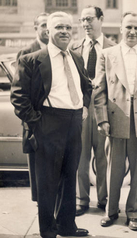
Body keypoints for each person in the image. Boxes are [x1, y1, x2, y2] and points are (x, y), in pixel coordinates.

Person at [11, 11, 91, 238]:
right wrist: (38, 124)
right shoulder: (32, 60)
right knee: (47, 182)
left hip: (74, 122)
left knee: (69, 177)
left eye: (68, 27)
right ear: (48, 31)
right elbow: (18, 97)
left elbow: (86, 85)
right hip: (48, 123)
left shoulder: (76, 57)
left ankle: (67, 226)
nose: (64, 31)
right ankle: (47, 230)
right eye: (59, 28)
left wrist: (83, 106)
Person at [94, 12, 137, 231]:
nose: (132, 31)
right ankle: (111, 211)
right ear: (121, 29)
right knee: (113, 168)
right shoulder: (107, 54)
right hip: (116, 119)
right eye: (128, 27)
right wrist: (102, 119)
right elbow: (99, 89)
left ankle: (134, 213)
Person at [70, 5, 115, 216]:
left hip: (104, 110)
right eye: (83, 20)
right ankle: (82, 199)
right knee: (80, 157)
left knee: (104, 157)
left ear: (101, 19)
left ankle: (104, 199)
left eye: (89, 19)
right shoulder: (74, 48)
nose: (86, 24)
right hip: (81, 110)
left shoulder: (114, 48)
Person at [16, 12, 49, 203]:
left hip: (56, 120)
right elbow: (20, 92)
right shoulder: (27, 52)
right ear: (35, 28)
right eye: (43, 25)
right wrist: (32, 119)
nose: (47, 29)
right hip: (35, 121)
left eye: (49, 25)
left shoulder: (59, 50)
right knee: (37, 168)